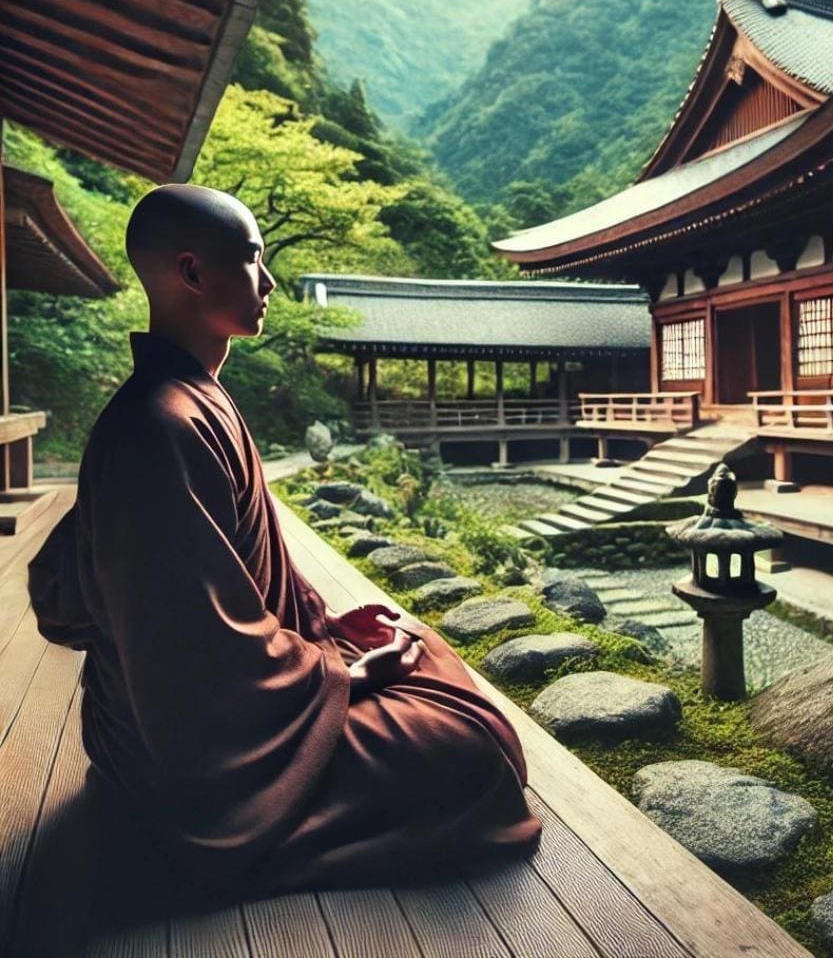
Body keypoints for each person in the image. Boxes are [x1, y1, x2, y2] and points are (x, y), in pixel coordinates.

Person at [28, 184, 542, 899]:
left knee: (428, 655)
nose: (268, 282)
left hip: (235, 699)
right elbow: (193, 653)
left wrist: (326, 625)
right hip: (191, 751)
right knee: (473, 746)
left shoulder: (193, 400)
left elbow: (230, 587)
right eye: (252, 260)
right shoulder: (160, 426)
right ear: (193, 273)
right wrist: (348, 677)